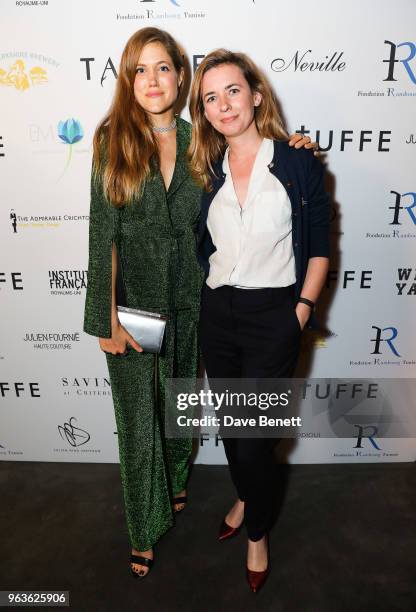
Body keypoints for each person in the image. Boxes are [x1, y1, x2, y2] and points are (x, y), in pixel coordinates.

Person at [84, 27, 315, 579]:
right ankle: (144, 529)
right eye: (139, 70)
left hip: (195, 304)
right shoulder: (111, 138)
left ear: (181, 76)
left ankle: (179, 484)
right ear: (127, 80)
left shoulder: (201, 142)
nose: (152, 80)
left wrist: (296, 149)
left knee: (180, 414)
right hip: (134, 308)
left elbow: (255, 159)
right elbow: (102, 234)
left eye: (163, 67)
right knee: (139, 424)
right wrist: (105, 317)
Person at [189, 49, 330, 592]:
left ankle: (257, 530)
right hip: (217, 312)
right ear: (203, 112)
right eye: (210, 98)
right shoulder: (206, 172)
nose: (223, 105)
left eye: (232, 91)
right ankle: (247, 491)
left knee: (254, 438)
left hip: (276, 313)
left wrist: (301, 311)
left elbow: (318, 248)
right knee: (233, 426)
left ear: (255, 95)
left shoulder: (296, 163)